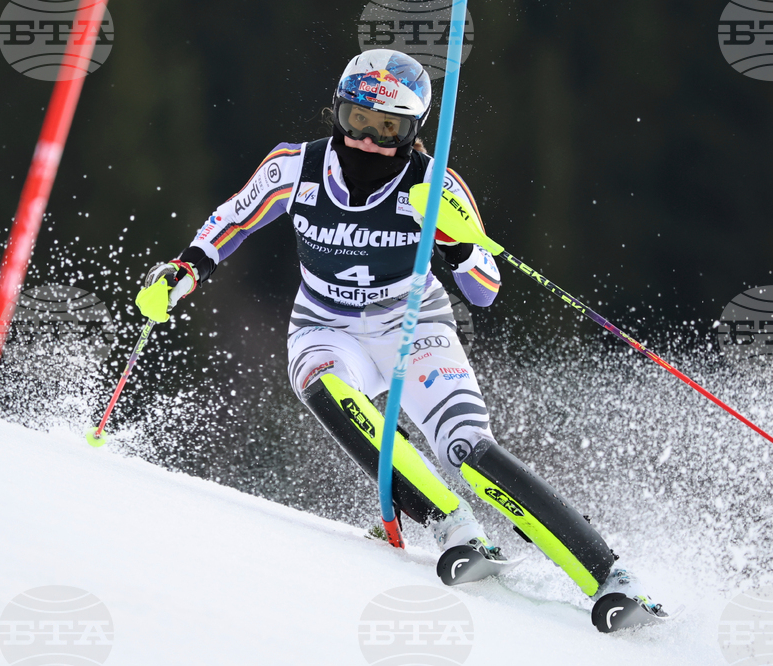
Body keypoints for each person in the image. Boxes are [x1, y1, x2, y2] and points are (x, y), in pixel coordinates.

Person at [136, 49, 652, 612]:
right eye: (359, 121)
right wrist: (182, 272)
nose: (368, 141)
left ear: (412, 132)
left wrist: (454, 243)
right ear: (338, 111)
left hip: (413, 321)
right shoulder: (296, 167)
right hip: (325, 323)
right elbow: (233, 218)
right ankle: (454, 529)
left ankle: (611, 579)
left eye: (389, 130)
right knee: (325, 387)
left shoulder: (436, 183)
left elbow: (486, 288)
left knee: (466, 450)